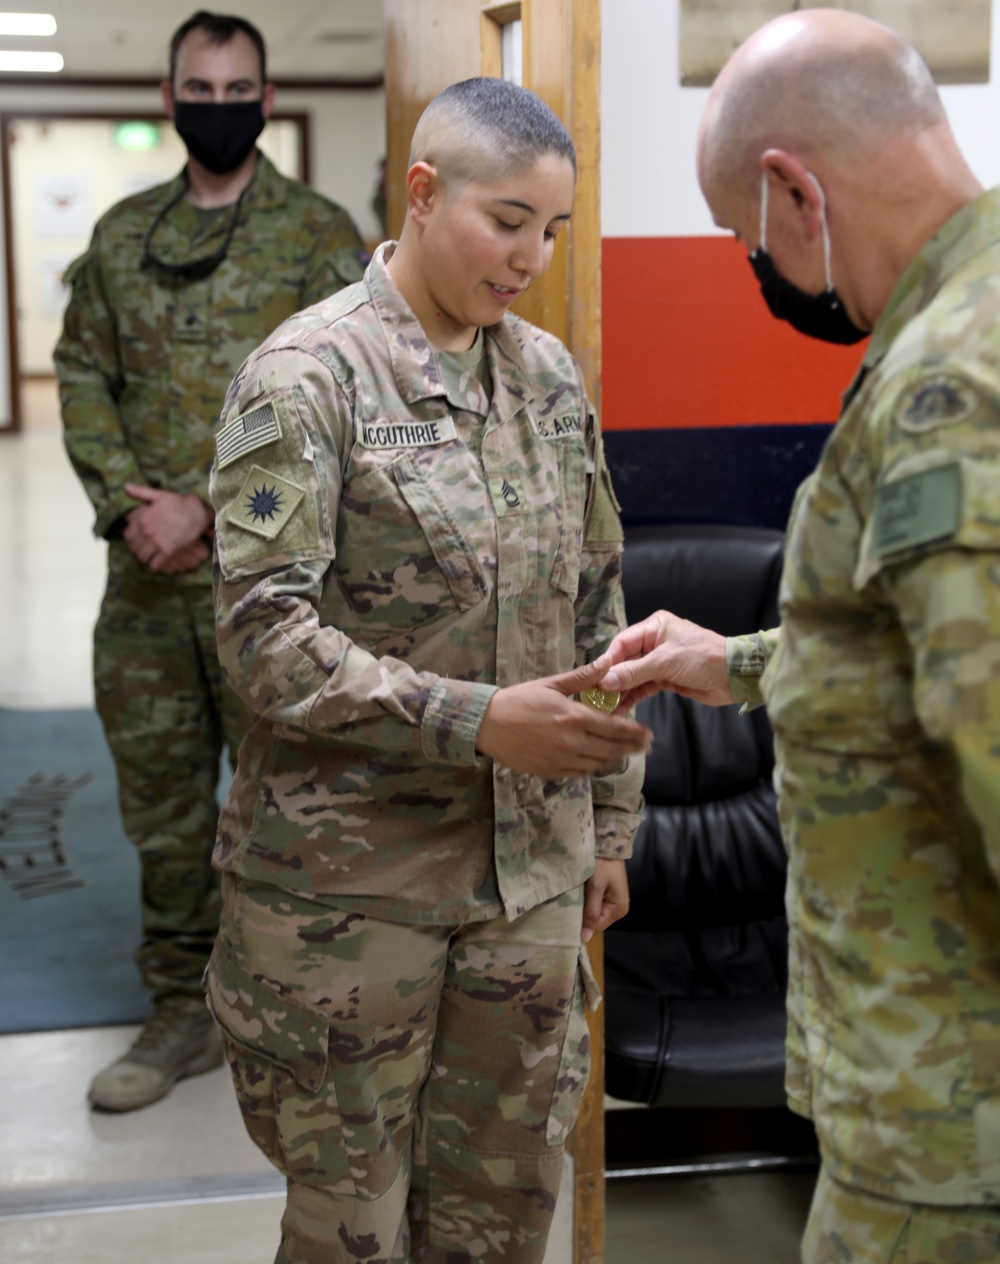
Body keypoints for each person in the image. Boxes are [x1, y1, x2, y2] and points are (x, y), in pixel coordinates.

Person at [205, 77, 649, 1263]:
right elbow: (261, 634)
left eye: (551, 230)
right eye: (507, 222)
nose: (531, 257)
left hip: (530, 884)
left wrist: (608, 824)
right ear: (422, 191)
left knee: (499, 1223)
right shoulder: (299, 380)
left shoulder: (547, 377)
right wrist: (473, 721)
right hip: (354, 897)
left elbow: (594, 600)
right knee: (352, 1230)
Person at [590, 9, 1000, 1262]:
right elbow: (916, 653)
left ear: (791, 190)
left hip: (945, 1120)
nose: (748, 267)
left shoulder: (947, 387)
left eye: (737, 236)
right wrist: (737, 663)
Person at [54, 10, 367, 1114]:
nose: (219, 105)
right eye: (201, 86)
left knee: (291, 798)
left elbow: (346, 415)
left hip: (272, 592)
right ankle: (181, 1010)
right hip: (141, 586)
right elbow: (81, 373)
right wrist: (125, 506)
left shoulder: (321, 238)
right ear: (168, 96)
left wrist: (213, 512)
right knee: (167, 809)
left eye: (239, 90)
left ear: (267, 103)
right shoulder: (122, 235)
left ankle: (287, 1006)